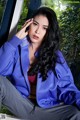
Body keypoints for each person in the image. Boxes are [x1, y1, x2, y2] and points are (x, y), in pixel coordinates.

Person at [0, 6, 80, 120]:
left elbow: (67, 88)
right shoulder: (17, 48)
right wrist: (15, 40)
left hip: (48, 110)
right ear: (29, 24)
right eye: (35, 24)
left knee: (76, 113)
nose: (38, 31)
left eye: (45, 28)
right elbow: (0, 69)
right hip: (22, 105)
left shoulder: (55, 56)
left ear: (49, 32)